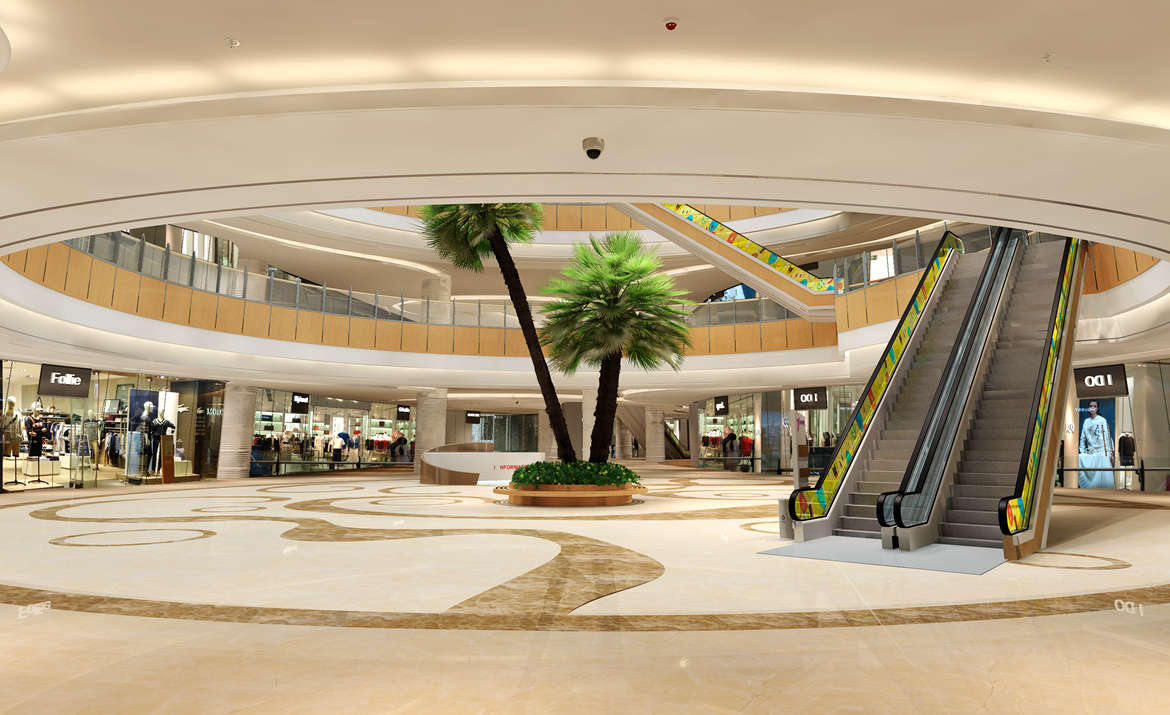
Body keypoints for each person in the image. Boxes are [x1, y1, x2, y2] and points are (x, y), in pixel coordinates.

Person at [1078, 400, 1114, 489]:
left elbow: (1107, 437)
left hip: (1102, 452)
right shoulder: (1086, 421)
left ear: (1097, 408)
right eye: (1090, 406)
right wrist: (1082, 451)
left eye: (1094, 406)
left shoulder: (1102, 420)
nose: (1092, 408)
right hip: (1091, 452)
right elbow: (1083, 438)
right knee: (1080, 457)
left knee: (1105, 478)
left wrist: (1110, 452)